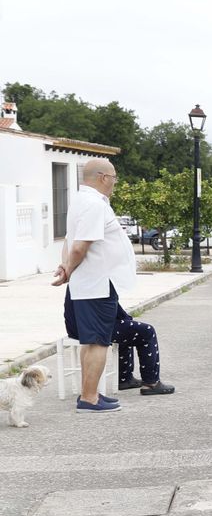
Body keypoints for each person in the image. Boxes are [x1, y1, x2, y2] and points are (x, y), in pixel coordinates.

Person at [52, 157, 137, 411]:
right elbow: (79, 247)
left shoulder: (80, 201)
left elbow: (69, 241)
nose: (114, 183)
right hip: (96, 282)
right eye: (114, 178)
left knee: (90, 341)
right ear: (103, 177)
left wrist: (66, 267)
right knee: (100, 340)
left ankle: (88, 395)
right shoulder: (93, 204)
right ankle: (90, 398)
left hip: (88, 283)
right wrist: (68, 268)